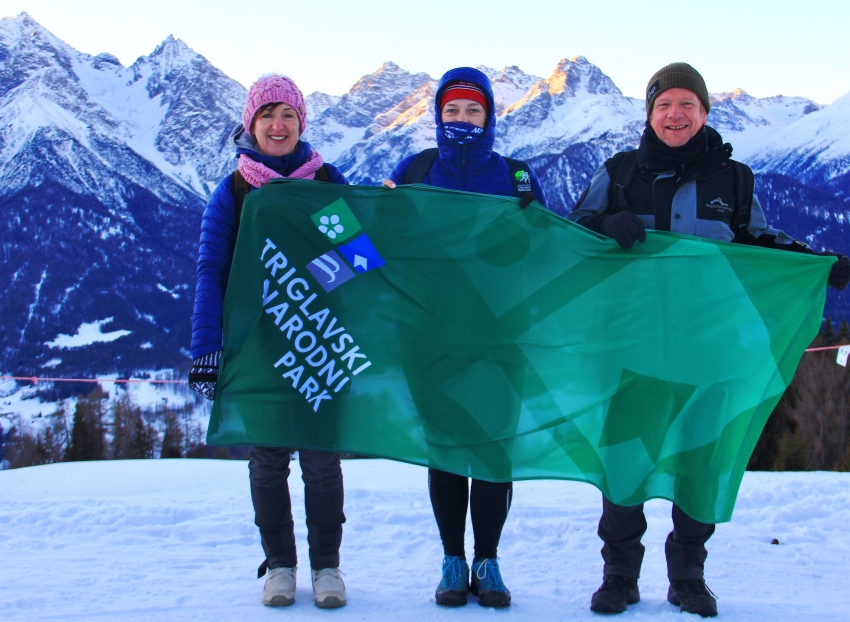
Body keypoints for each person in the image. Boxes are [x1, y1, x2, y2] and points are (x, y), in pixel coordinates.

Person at [568, 62, 850, 618]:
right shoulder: (620, 172)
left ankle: (688, 576)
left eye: (687, 105)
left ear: (704, 113)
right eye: (665, 104)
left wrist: (819, 265)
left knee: (702, 459)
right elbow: (570, 234)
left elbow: (762, 242)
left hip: (710, 348)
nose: (676, 115)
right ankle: (619, 575)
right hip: (632, 346)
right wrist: (603, 226)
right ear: (650, 113)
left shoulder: (735, 179)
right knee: (626, 461)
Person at [383, 67, 547, 609]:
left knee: (494, 449)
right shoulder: (415, 169)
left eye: (472, 110)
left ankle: (489, 560)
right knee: (449, 448)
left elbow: (547, 256)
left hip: (502, 336)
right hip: (430, 334)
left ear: (490, 117)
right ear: (436, 115)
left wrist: (536, 224)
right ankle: (454, 559)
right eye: (451, 110)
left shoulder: (518, 177)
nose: (461, 119)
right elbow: (378, 241)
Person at [188, 74, 349, 609]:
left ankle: (327, 568)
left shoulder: (323, 181)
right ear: (250, 125)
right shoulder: (235, 190)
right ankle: (279, 566)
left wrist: (303, 284)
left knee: (322, 459)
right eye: (267, 116)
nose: (277, 126)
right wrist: (207, 348)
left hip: (316, 337)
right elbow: (212, 272)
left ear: (301, 123)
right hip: (256, 344)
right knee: (267, 458)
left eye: (288, 116)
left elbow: (357, 254)